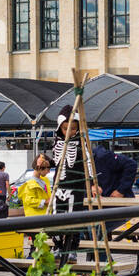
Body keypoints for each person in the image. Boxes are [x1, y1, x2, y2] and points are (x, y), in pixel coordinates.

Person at [52, 106, 100, 261]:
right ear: (60, 128)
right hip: (59, 186)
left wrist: (93, 183)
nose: (69, 132)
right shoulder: (56, 142)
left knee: (74, 218)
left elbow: (89, 163)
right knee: (55, 217)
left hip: (76, 186)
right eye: (66, 129)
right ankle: (58, 245)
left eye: (73, 129)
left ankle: (71, 248)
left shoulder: (81, 142)